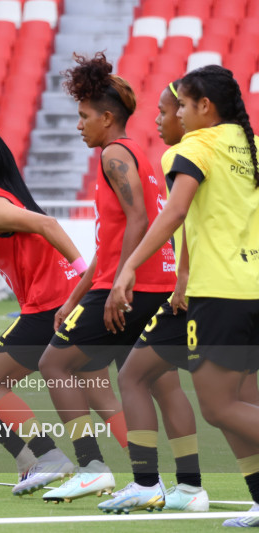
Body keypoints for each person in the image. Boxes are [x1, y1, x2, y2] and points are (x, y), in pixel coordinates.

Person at [0, 126, 126, 495]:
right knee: (100, 394)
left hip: (50, 307)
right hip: (66, 303)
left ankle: (54, 457)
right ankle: (150, 473)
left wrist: (82, 280)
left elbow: (48, 224)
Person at [109, 65, 259, 527]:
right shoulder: (248, 146)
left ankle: (160, 484)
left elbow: (175, 211)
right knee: (239, 403)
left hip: (222, 293)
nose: (173, 115)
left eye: (180, 106)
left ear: (202, 107)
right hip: (247, 289)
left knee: (219, 406)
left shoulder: (194, 147)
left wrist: (128, 268)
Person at [35, 52, 177, 503]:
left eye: (84, 116)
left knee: (54, 364)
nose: (79, 125)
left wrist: (120, 283)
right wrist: (74, 298)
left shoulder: (114, 154)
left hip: (131, 287)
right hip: (149, 283)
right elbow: (111, 242)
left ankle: (92, 468)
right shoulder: (139, 155)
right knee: (148, 382)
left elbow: (137, 220)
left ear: (107, 118)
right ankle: (173, 483)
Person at [98, 80, 211, 514]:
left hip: (195, 290)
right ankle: (190, 486)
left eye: (171, 110)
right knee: (169, 384)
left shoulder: (182, 156)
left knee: (125, 376)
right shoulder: (235, 149)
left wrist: (169, 275)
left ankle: (144, 481)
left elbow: (176, 218)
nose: (166, 119)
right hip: (201, 286)